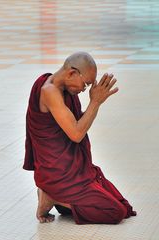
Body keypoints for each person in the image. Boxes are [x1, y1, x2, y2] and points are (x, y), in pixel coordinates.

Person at [23, 52, 136, 224]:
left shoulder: (66, 88)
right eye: (85, 84)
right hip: (58, 174)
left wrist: (94, 102)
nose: (84, 89)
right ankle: (52, 197)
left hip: (73, 170)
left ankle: (61, 200)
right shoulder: (49, 91)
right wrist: (95, 102)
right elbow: (76, 134)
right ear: (71, 73)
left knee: (124, 206)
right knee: (115, 212)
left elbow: (76, 123)